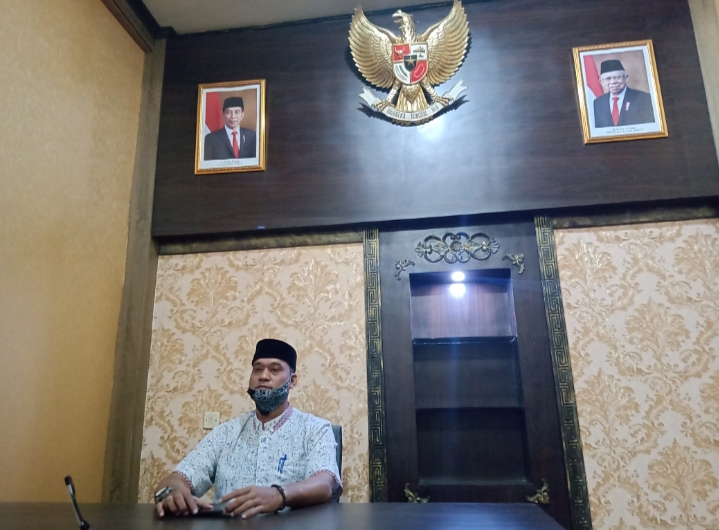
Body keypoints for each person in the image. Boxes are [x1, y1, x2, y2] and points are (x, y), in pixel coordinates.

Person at [153, 339, 341, 519]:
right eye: (257, 369)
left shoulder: (315, 429)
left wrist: (279, 495)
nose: (263, 376)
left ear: (292, 381)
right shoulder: (225, 433)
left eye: (275, 369)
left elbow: (325, 484)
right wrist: (173, 493)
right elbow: (177, 479)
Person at [592, 59, 655, 128]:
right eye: (608, 78)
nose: (613, 82)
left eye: (618, 77)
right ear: (601, 82)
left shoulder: (644, 98)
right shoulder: (598, 103)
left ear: (626, 78)